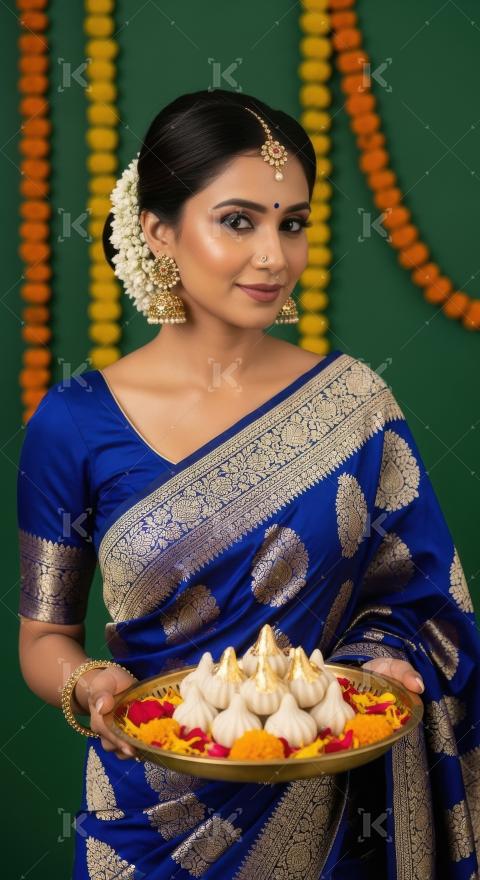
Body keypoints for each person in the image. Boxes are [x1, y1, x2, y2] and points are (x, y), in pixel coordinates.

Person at [17, 88, 480, 879]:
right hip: (143, 822)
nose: (275, 255)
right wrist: (91, 684)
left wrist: (387, 667)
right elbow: (43, 639)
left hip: (329, 810)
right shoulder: (71, 420)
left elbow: (420, 603)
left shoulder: (353, 403)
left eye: (291, 223)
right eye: (239, 221)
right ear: (159, 231)